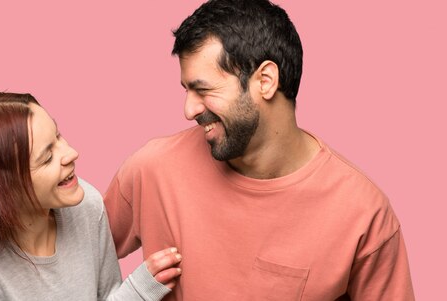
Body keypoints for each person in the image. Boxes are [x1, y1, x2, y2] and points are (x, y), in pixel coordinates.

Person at [103, 0, 414, 300]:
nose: (189, 110)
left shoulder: (363, 214)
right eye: (187, 91)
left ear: (265, 80)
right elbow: (65, 258)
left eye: (204, 90)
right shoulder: (150, 169)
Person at [0, 90, 182, 300]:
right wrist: (136, 294)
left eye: (58, 136)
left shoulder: (86, 204)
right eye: (48, 157)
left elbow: (108, 295)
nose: (72, 153)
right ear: (5, 188)